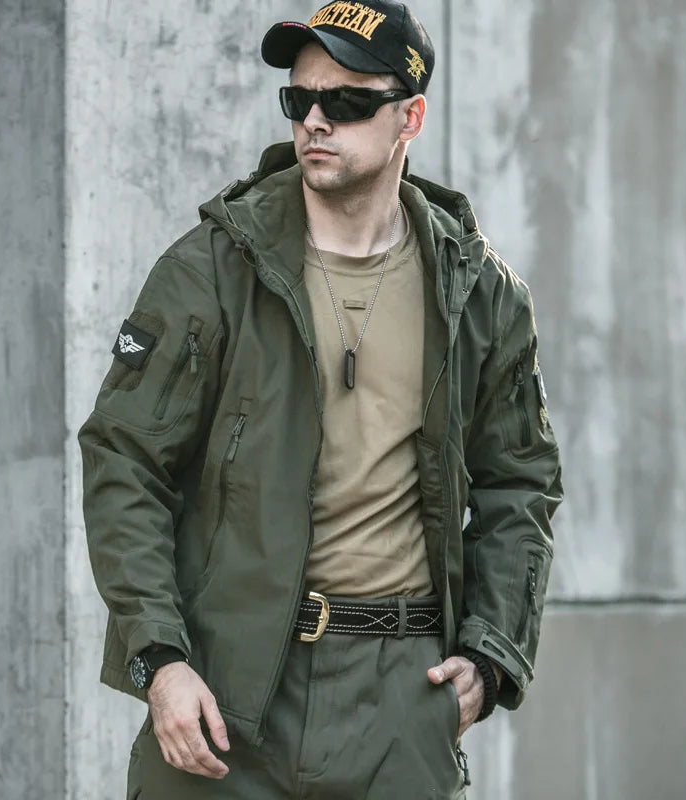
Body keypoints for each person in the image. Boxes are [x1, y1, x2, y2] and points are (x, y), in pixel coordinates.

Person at [79, 1, 563, 797]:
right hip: (226, 694)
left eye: (345, 102)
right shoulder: (214, 269)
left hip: (403, 697)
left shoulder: (479, 293)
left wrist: (490, 654)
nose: (315, 120)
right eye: (298, 99)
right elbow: (124, 460)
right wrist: (159, 658)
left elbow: (521, 483)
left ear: (410, 118)